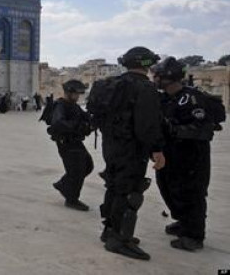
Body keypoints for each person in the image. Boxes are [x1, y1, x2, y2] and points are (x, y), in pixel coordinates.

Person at [91, 46, 165, 261]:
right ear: (147, 64)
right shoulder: (145, 88)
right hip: (132, 149)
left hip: (111, 146)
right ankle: (119, 239)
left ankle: (109, 230)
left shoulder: (111, 85)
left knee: (114, 186)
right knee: (130, 191)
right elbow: (147, 125)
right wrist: (156, 149)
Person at [153, 56, 226, 252]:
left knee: (192, 193)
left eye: (158, 76)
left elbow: (204, 128)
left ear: (168, 78)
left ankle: (194, 235)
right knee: (168, 188)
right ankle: (183, 221)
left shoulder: (192, 98)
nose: (155, 79)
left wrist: (176, 130)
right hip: (170, 153)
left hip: (192, 155)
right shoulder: (165, 98)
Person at [48, 80, 93, 211]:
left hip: (75, 141)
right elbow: (59, 123)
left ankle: (63, 184)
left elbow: (85, 117)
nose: (78, 96)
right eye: (76, 94)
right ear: (68, 92)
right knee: (77, 170)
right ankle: (71, 199)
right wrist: (78, 126)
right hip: (66, 143)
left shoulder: (74, 105)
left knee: (88, 165)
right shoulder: (60, 105)